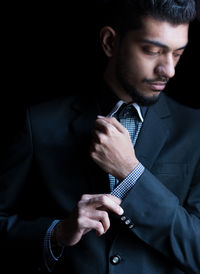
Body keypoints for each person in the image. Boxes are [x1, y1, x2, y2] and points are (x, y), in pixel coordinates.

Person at [0, 0, 200, 273]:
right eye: (153, 51)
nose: (169, 70)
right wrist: (57, 233)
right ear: (109, 42)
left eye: (178, 54)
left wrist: (132, 175)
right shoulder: (40, 123)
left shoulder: (195, 129)